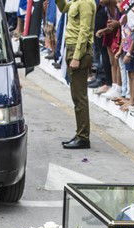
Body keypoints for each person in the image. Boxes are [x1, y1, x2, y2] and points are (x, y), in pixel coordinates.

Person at [57, 0, 95, 149]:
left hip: (78, 51)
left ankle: (83, 137)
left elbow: (84, 31)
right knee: (77, 96)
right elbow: (64, 8)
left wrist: (77, 57)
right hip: (72, 49)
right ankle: (80, 133)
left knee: (79, 97)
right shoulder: (76, 1)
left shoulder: (85, 2)